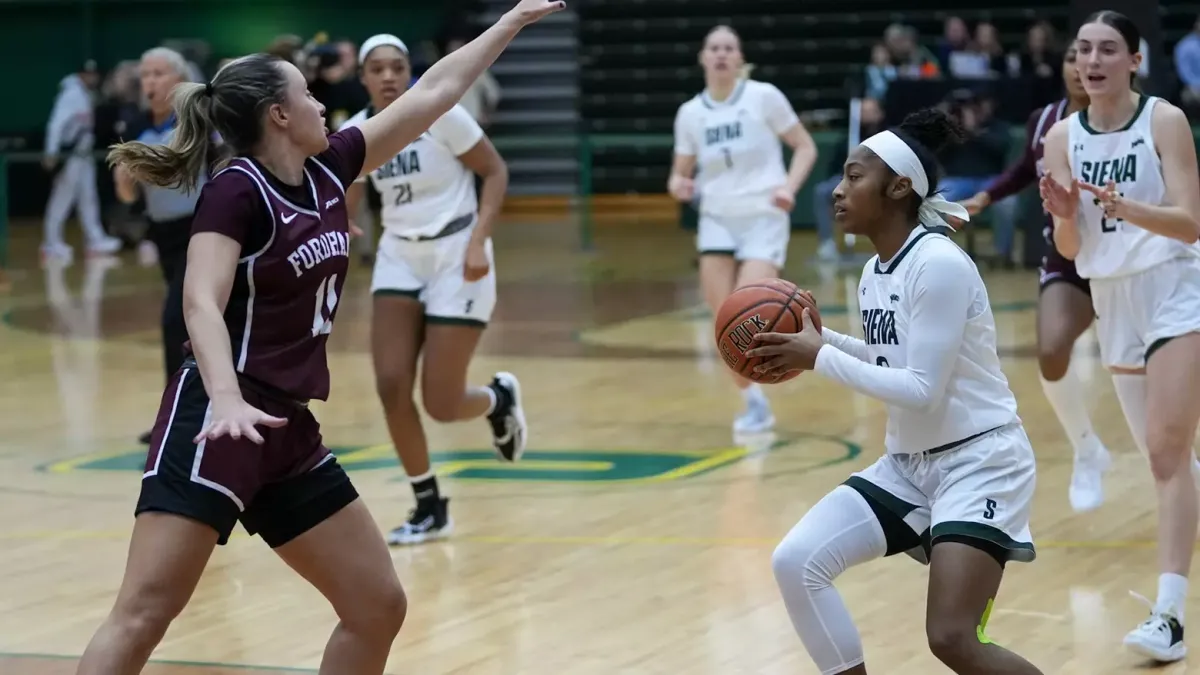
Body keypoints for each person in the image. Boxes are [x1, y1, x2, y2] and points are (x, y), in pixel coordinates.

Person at [73, 2, 565, 673]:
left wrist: (509, 24)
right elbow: (199, 300)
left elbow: (436, 93)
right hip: (219, 419)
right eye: (307, 94)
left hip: (287, 426)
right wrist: (221, 395)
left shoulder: (333, 166)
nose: (323, 103)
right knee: (144, 612)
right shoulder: (235, 192)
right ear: (279, 114)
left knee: (376, 603)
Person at [750, 108, 1042, 675]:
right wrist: (818, 339)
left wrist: (821, 356)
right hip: (909, 466)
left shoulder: (938, 264)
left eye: (854, 176)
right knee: (796, 561)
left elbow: (921, 388)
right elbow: (890, 361)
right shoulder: (875, 271)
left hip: (981, 462)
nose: (837, 190)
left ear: (900, 186)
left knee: (953, 638)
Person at [1041, 10, 1200, 663]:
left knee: (1166, 448)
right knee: (1168, 462)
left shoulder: (1164, 119)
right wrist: (1063, 216)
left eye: (1108, 49)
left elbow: (1191, 223)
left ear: (1135, 60)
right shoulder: (1060, 137)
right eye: (1084, 50)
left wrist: (1127, 207)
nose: (1093, 59)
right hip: (1112, 299)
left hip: (1174, 287)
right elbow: (1072, 251)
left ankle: (1169, 614)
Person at [338, 33, 520, 545]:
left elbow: (495, 171)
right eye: (378, 69)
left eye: (398, 66)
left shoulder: (441, 113)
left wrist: (479, 240)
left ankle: (497, 399)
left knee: (440, 402)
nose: (390, 76)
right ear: (365, 78)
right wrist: (339, 226)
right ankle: (429, 505)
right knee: (391, 384)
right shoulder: (357, 133)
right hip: (399, 252)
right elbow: (346, 205)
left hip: (455, 249)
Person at [957, 46, 1115, 513]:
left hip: (1126, 257)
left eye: (1093, 55)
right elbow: (1028, 168)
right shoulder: (1044, 120)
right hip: (1067, 258)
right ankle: (1087, 450)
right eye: (1072, 56)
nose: (1080, 65)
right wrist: (985, 197)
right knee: (1050, 351)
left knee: (1149, 372)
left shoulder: (1136, 123)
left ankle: (1177, 458)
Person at [667, 24, 818, 436]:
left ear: (740, 58)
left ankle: (773, 374)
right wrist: (679, 186)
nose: (720, 54)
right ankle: (753, 401)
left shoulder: (763, 97)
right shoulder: (690, 113)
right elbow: (678, 176)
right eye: (713, 47)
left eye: (728, 48)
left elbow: (806, 146)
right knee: (723, 322)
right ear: (702, 57)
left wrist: (788, 187)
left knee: (749, 311)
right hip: (716, 216)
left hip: (763, 214)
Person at [114, 47, 205, 446]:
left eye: (158, 73)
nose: (150, 81)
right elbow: (128, 197)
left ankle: (177, 418)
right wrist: (125, 177)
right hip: (165, 236)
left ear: (178, 78)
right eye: (145, 74)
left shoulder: (196, 119)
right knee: (189, 327)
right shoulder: (135, 123)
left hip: (202, 231)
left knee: (176, 321)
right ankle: (192, 408)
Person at [42, 60, 123, 262]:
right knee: (62, 198)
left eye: (95, 74)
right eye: (89, 74)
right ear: (81, 75)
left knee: (88, 197)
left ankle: (95, 239)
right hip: (70, 155)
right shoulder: (71, 94)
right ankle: (51, 243)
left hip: (83, 154)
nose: (93, 77)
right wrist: (51, 151)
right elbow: (56, 125)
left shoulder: (86, 94)